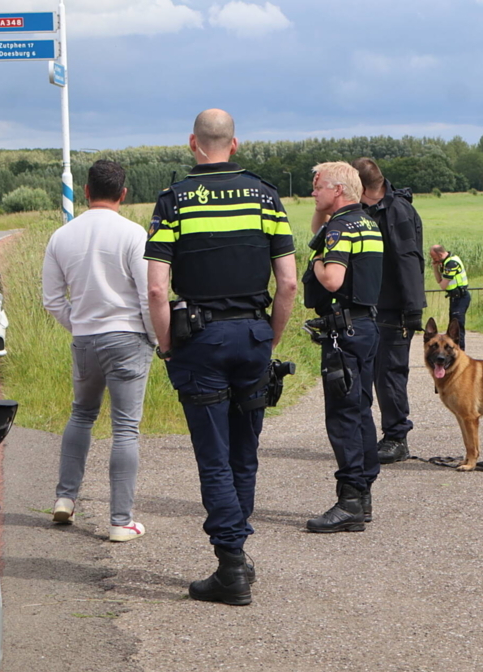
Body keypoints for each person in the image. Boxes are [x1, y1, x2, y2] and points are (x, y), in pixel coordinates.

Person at [146, 109, 296, 606]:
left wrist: (167, 345)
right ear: (234, 145)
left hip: (200, 342)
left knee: (214, 458)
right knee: (244, 453)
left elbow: (155, 287)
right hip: (253, 336)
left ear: (194, 143)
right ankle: (239, 556)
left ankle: (230, 564)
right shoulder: (265, 197)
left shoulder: (174, 201)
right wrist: (270, 338)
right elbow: (289, 282)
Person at [42, 160, 155, 542]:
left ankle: (64, 498)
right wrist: (156, 339)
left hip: (85, 338)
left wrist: (79, 326)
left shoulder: (61, 236)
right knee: (125, 427)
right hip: (127, 338)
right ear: (124, 193)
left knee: (81, 414)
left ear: (86, 191)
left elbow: (52, 300)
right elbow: (147, 294)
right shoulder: (134, 234)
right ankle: (121, 520)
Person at [303, 162, 382, 533]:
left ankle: (349, 501)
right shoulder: (366, 222)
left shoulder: (340, 228)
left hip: (344, 333)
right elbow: (318, 225)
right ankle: (363, 495)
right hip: (365, 327)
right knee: (361, 408)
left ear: (338, 190)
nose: (312, 193)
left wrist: (317, 261)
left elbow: (333, 280)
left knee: (343, 416)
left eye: (317, 187)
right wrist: (323, 211)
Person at [351, 158, 425, 465]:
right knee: (364, 373)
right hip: (368, 306)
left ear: (365, 187)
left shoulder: (397, 211)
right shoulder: (368, 209)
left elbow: (408, 260)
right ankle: (366, 435)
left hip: (393, 309)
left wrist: (412, 309)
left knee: (390, 374)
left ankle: (397, 438)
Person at [430, 244, 470, 350]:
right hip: (454, 297)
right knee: (452, 326)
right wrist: (435, 267)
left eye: (434, 257)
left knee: (457, 327)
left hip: (461, 297)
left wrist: (439, 268)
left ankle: (461, 353)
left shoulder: (452, 263)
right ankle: (455, 351)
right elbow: (439, 281)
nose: (433, 260)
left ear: (440, 254)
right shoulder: (446, 262)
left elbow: (443, 285)